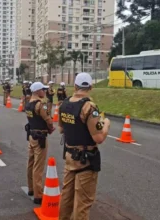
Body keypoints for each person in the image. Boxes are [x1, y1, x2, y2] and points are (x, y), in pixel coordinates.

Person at [58, 72, 110, 220]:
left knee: (66, 198)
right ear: (91, 87)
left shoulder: (64, 104)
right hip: (85, 160)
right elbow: (99, 137)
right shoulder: (89, 107)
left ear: (75, 86)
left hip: (69, 156)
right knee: (83, 203)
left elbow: (61, 129)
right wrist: (106, 124)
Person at [24, 82, 55, 204]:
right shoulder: (40, 104)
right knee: (38, 166)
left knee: (30, 163)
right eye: (43, 89)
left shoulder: (28, 104)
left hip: (31, 135)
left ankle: (31, 188)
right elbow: (48, 119)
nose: (45, 91)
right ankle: (38, 194)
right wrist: (51, 127)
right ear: (38, 91)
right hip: (40, 137)